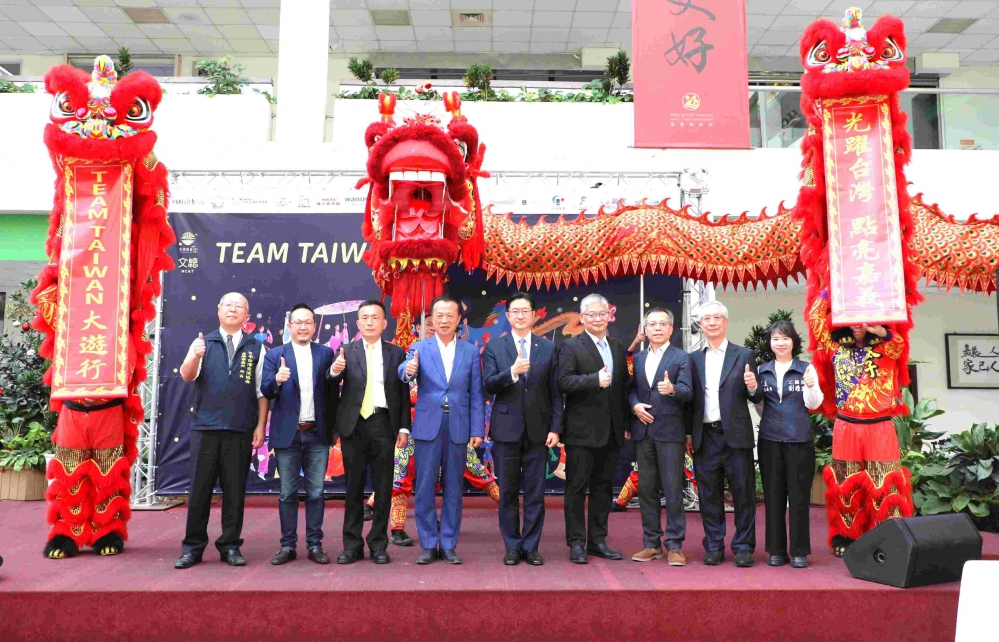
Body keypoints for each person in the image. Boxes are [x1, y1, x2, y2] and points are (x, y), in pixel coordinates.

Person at [809, 293, 914, 557]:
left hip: (880, 427)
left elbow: (899, 344)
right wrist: (833, 288)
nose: (857, 323)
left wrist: (882, 332)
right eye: (850, 316)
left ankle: (888, 537)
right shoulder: (834, 348)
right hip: (846, 426)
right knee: (846, 481)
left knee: (884, 480)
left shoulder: (887, 347)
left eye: (862, 318)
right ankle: (847, 537)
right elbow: (815, 318)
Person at [176, 292, 267, 569]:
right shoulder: (203, 343)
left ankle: (230, 546)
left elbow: (262, 391)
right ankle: (192, 548)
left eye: (239, 306)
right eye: (228, 304)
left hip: (240, 430)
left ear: (246, 315)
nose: (233, 309)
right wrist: (195, 355)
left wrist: (260, 426)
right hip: (205, 429)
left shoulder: (257, 347)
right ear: (218, 310)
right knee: (199, 492)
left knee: (235, 492)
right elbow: (187, 375)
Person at [399, 295, 485, 565]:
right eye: (439, 315)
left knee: (453, 487)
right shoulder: (419, 348)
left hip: (458, 425)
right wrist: (408, 370)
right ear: (431, 320)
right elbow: (404, 371)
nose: (444, 320)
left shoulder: (470, 351)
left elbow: (476, 394)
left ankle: (448, 544)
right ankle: (428, 544)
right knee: (424, 486)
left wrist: (477, 429)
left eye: (450, 315)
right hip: (427, 426)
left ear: (459, 319)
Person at [482, 292, 563, 566]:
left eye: (524, 311)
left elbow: (556, 393)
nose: (520, 315)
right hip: (506, 430)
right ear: (507, 316)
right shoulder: (495, 347)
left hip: (539, 431)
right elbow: (488, 385)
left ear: (534, 315)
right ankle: (512, 546)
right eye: (514, 311)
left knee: (535, 493)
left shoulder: (548, 347)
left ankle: (531, 547)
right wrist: (512, 372)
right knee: (507, 492)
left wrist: (555, 428)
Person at [331, 300, 411, 565]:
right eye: (364, 318)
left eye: (375, 317)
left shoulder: (396, 353)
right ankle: (352, 545)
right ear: (357, 323)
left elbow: (402, 394)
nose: (369, 322)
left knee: (383, 488)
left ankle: (378, 544)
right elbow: (331, 382)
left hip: (384, 424)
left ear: (384, 323)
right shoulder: (346, 350)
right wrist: (334, 370)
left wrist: (403, 428)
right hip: (354, 426)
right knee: (353, 488)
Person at [688, 300, 764, 568]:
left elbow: (756, 395)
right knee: (709, 496)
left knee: (743, 494)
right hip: (705, 436)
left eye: (716, 318)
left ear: (726, 322)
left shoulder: (744, 355)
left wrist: (753, 386)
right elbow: (689, 401)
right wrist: (688, 433)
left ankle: (743, 546)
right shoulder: (692, 359)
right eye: (706, 319)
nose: (711, 322)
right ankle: (714, 545)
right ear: (700, 324)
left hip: (736, 435)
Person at [261, 303, 337, 566]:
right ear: (289, 326)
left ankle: (315, 545)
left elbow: (333, 393)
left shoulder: (326, 353)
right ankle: (288, 545)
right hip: (287, 434)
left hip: (317, 434)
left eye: (308, 322)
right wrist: (277, 379)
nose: (303, 327)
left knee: (316, 493)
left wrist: (333, 430)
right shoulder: (275, 355)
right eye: (298, 322)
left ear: (314, 326)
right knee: (287, 494)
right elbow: (265, 390)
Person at [558, 293, 631, 564]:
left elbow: (623, 389)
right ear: (582, 318)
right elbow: (563, 382)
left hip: (612, 431)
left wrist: (625, 423)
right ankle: (576, 542)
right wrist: (593, 380)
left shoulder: (618, 347)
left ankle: (598, 541)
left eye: (602, 314)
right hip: (581, 431)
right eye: (592, 314)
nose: (598, 319)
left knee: (603, 489)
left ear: (609, 316)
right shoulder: (570, 346)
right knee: (576, 489)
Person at [754, 319, 823, 569]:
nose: (780, 343)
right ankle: (775, 550)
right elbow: (759, 405)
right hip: (770, 440)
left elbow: (814, 403)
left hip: (799, 440)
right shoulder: (762, 371)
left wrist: (811, 386)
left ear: (793, 341)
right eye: (775, 339)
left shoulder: (806, 369)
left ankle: (799, 551)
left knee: (798, 497)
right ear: (770, 343)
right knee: (772, 496)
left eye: (785, 338)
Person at [627, 307, 693, 565]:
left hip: (670, 433)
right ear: (645, 329)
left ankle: (675, 545)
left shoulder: (682, 357)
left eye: (662, 323)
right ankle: (651, 544)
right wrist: (635, 406)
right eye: (652, 324)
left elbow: (688, 391)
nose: (657, 328)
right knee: (646, 490)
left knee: (673, 490)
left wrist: (673, 388)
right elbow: (629, 390)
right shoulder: (638, 358)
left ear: (671, 328)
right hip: (643, 432)